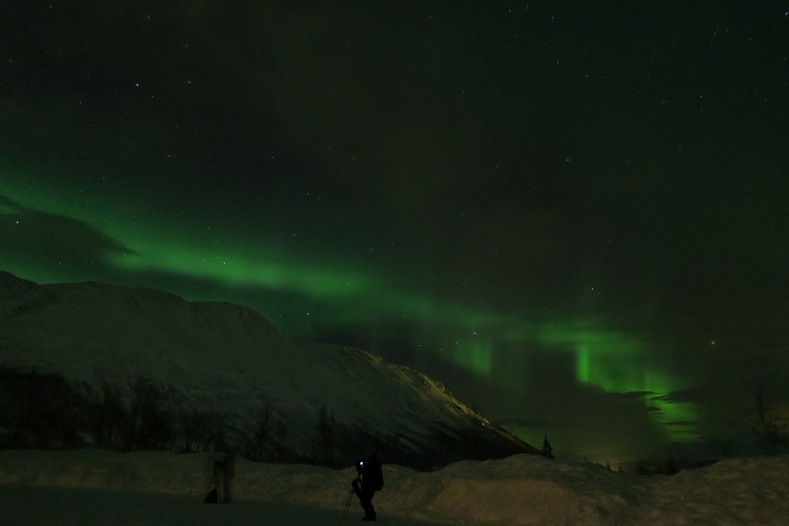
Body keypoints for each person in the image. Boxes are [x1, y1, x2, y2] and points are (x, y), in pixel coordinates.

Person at [351, 453, 383, 521]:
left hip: (370, 485)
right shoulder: (374, 465)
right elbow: (365, 472)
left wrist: (360, 466)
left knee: (365, 500)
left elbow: (367, 472)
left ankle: (371, 516)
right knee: (365, 500)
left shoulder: (374, 465)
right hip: (370, 485)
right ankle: (370, 516)